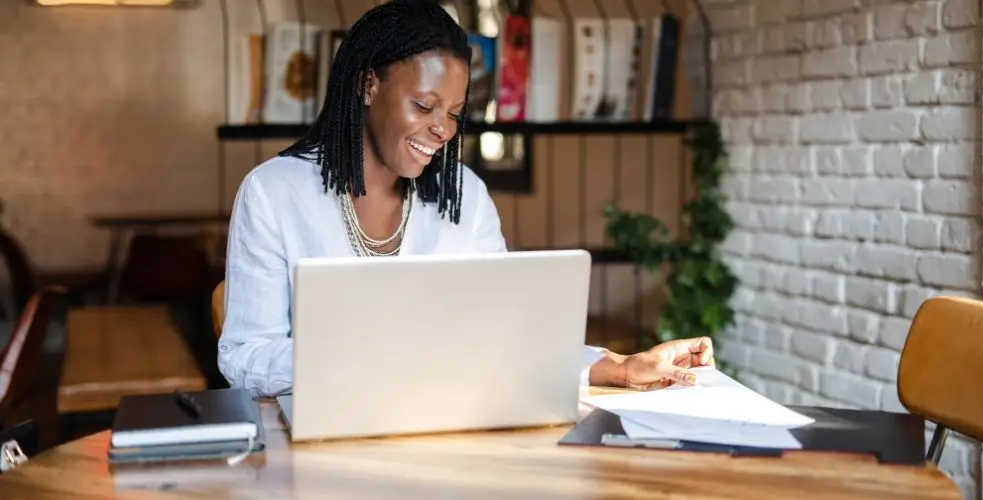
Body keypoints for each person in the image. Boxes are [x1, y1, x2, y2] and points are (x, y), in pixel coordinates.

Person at [217, 0, 715, 399]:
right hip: (322, 438)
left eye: (455, 112)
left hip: (446, 427)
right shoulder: (273, 193)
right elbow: (244, 359)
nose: (442, 129)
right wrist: (365, 354)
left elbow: (505, 340)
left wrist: (620, 367)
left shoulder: (466, 198)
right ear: (369, 84)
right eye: (423, 105)